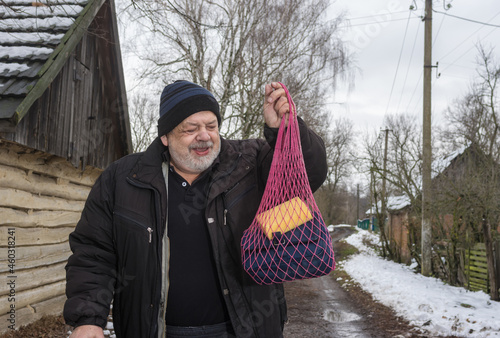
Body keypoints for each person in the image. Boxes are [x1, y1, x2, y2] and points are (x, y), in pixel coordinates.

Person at [64, 81, 328, 338]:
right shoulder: (122, 179)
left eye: (211, 126)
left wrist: (287, 129)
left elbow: (308, 174)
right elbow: (94, 252)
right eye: (190, 129)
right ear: (165, 137)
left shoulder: (249, 162)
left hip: (243, 329)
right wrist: (88, 319)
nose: (204, 135)